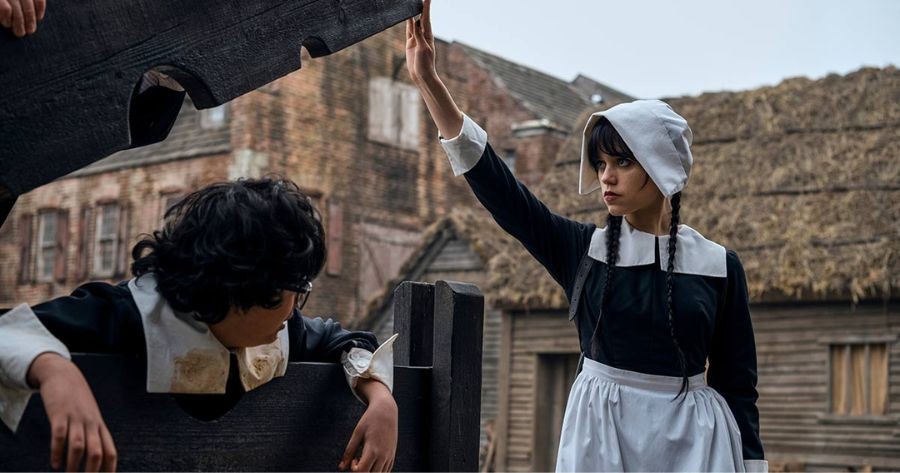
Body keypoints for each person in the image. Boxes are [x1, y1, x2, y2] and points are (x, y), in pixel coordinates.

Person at [405, 2, 766, 471]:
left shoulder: (718, 266)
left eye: (622, 162)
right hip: (602, 436)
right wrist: (430, 82)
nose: (606, 176)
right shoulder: (584, 252)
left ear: (661, 167)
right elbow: (504, 194)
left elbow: (738, 386)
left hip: (695, 446)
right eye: (600, 163)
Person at [0, 177, 398, 473]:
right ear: (234, 291)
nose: (293, 309)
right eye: (286, 293)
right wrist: (55, 371)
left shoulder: (281, 330)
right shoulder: (126, 314)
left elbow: (341, 340)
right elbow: (10, 331)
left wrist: (380, 398)